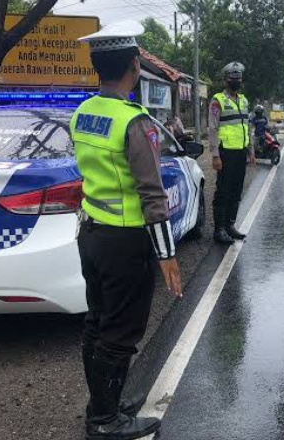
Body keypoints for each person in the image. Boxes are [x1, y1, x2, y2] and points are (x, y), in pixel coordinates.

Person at [71, 20, 182, 440]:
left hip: (91, 233)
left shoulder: (83, 112)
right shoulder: (134, 121)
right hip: (124, 240)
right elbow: (152, 195)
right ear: (135, 66)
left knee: (97, 322)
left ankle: (104, 402)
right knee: (120, 331)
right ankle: (104, 419)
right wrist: (168, 254)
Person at [208, 61, 255, 245]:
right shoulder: (217, 100)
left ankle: (230, 226)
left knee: (236, 191)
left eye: (238, 78)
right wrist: (215, 155)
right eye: (232, 78)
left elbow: (247, 127)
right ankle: (219, 230)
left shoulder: (244, 100)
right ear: (226, 80)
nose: (236, 81)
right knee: (223, 192)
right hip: (225, 153)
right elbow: (212, 129)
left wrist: (251, 151)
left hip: (241, 153)